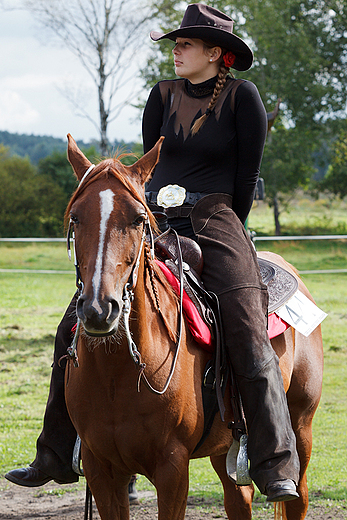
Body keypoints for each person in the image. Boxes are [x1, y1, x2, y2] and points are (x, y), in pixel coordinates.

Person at [6, 3, 299, 503]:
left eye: (185, 44)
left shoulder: (243, 99)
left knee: (246, 327)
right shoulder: (160, 96)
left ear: (216, 53)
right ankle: (56, 450)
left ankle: (272, 461)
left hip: (218, 219)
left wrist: (226, 222)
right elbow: (149, 168)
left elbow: (246, 179)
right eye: (176, 45)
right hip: (157, 222)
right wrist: (148, 220)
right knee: (76, 319)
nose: (177, 52)